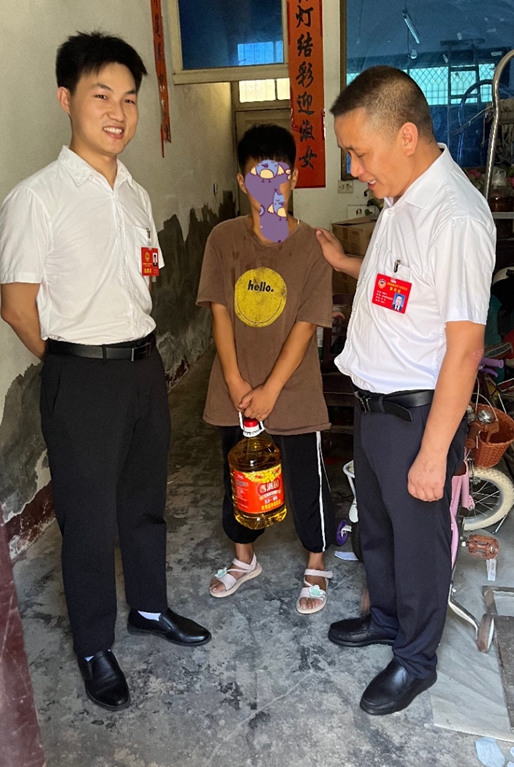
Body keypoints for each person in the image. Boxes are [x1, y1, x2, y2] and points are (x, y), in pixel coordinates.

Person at [0, 31, 210, 713]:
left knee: (144, 501)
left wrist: (126, 360)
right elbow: (17, 308)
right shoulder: (37, 197)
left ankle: (149, 607)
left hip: (144, 366)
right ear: (67, 100)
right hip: (82, 376)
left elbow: (143, 279)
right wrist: (72, 364)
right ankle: (94, 644)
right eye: (101, 96)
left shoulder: (136, 195)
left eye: (129, 99)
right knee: (88, 521)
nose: (118, 112)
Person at [316, 66, 495, 715]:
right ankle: (386, 619)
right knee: (379, 529)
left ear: (407, 136)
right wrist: (344, 263)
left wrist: (433, 453)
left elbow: (465, 349)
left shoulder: (454, 217)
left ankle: (416, 659)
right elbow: (401, 285)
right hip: (375, 409)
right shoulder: (400, 199)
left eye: (360, 152)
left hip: (419, 419)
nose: (355, 168)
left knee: (420, 546)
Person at [197, 124, 335, 614]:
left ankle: (316, 562)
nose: (269, 189)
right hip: (234, 388)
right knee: (239, 473)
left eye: (278, 177)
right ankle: (244, 558)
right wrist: (236, 382)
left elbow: (306, 324)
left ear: (293, 178)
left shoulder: (314, 245)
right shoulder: (223, 239)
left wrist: (272, 388)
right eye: (258, 178)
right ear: (241, 181)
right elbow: (219, 311)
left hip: (293, 389)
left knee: (304, 479)